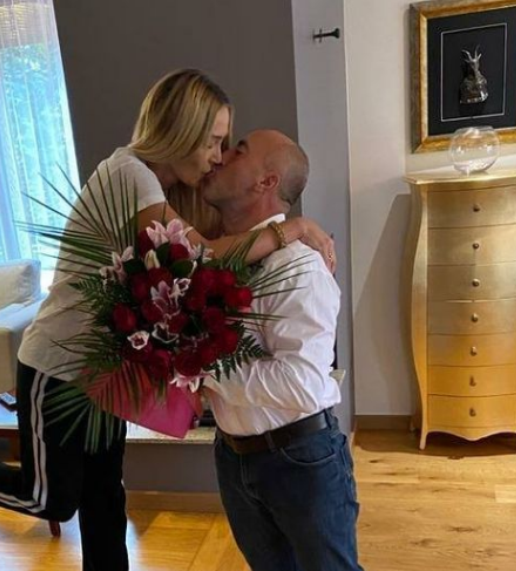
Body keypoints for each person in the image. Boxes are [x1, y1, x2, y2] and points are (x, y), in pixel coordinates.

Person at [0, 69, 337, 571]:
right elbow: (201, 259)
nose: (218, 156)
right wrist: (291, 228)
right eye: (214, 141)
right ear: (183, 129)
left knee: (104, 499)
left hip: (101, 367)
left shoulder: (160, 189)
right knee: (50, 498)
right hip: (56, 365)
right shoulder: (128, 173)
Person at [202, 129, 363, 571]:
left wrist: (199, 364)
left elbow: (299, 382)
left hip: (301, 460)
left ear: (266, 181)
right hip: (232, 453)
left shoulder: (298, 267)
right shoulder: (209, 259)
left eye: (239, 151)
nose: (220, 156)